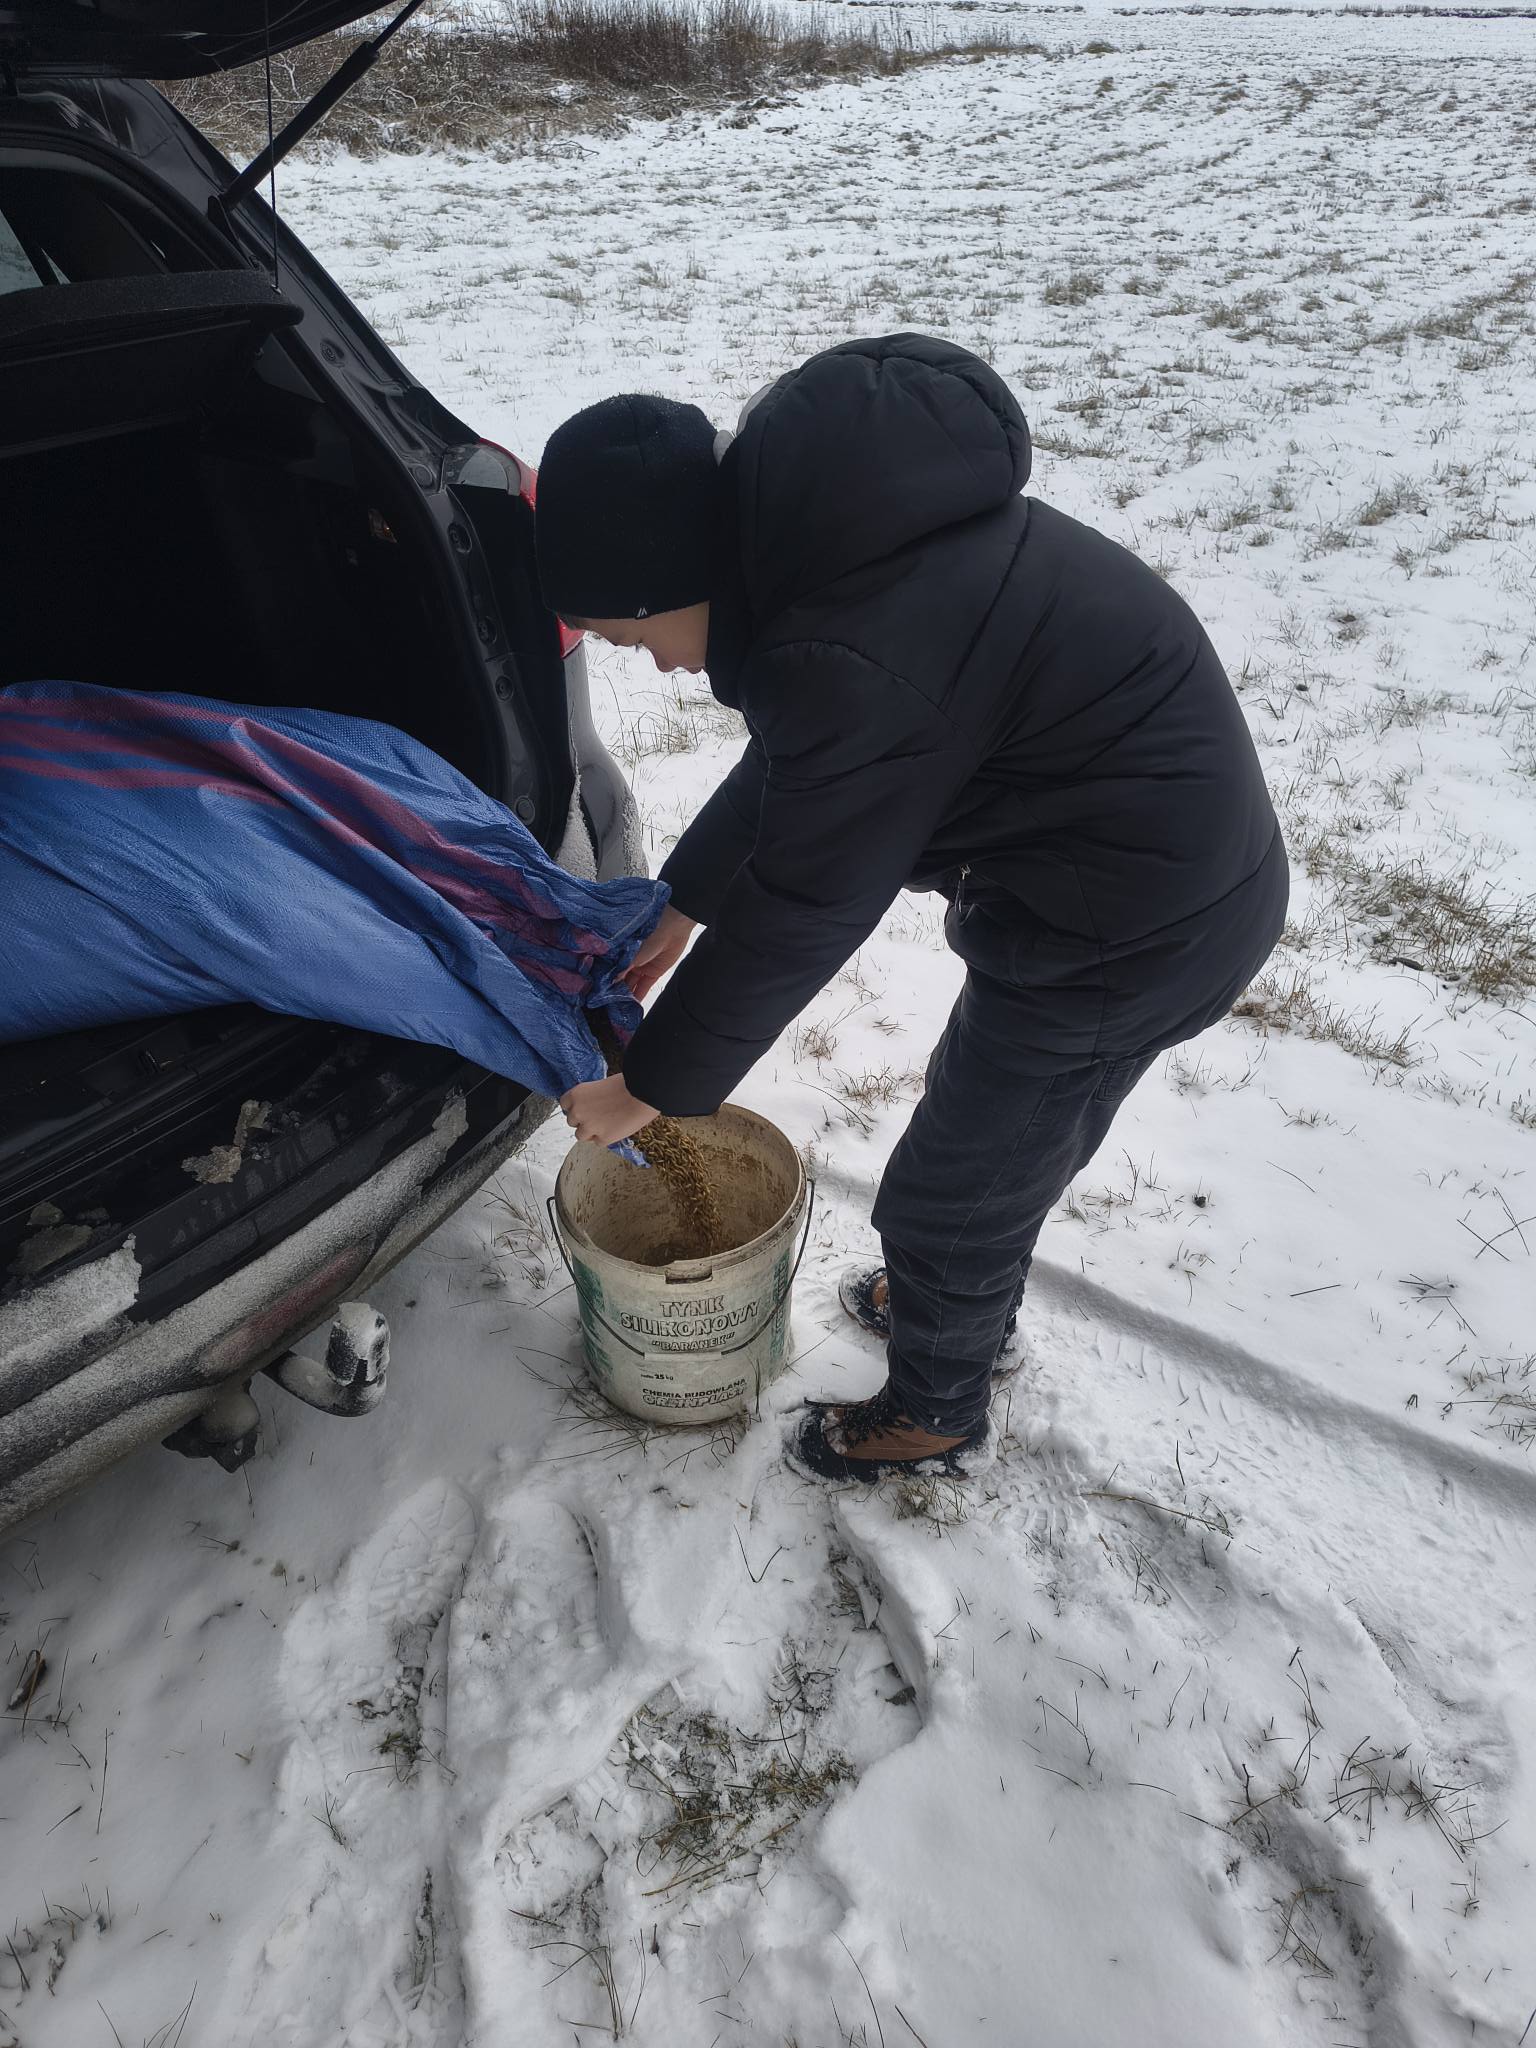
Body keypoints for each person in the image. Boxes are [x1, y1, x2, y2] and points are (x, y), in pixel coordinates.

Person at [537, 334, 1287, 1484]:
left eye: (634, 638)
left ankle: (936, 1409)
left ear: (671, 577)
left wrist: (651, 1083)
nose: (659, 667)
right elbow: (799, 761)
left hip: (1133, 932)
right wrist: (682, 901)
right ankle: (957, 1295)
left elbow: (807, 901)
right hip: (1127, 887)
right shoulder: (836, 556)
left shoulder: (848, 645)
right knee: (989, 1138)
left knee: (954, 1189)